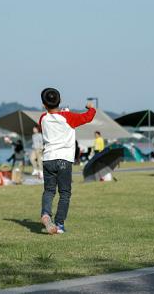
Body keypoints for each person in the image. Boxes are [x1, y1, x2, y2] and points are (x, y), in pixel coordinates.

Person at [39, 88, 96, 235]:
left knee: (49, 191)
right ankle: (59, 224)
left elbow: (52, 116)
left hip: (48, 158)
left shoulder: (42, 118)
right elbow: (87, 117)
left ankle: (46, 214)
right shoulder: (68, 117)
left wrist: (61, 112)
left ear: (44, 104)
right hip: (64, 159)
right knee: (64, 193)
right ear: (60, 99)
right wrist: (91, 108)